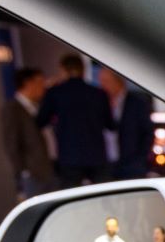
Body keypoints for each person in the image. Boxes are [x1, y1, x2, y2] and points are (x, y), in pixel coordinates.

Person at [36, 53, 112, 185]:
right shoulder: (98, 93)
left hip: (69, 155)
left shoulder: (56, 93)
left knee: (72, 196)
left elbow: (41, 121)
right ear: (83, 69)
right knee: (103, 196)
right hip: (96, 154)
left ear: (63, 69)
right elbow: (110, 124)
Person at [0, 67, 55, 198]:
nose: (43, 87)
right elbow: (11, 143)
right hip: (33, 172)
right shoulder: (12, 109)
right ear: (28, 83)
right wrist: (24, 171)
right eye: (40, 83)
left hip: (48, 168)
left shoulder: (37, 107)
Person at [100, 68, 154, 179]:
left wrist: (141, 159)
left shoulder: (137, 103)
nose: (103, 86)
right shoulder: (100, 102)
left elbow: (147, 133)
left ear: (117, 81)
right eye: (101, 81)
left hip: (132, 164)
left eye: (106, 81)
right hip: (106, 165)